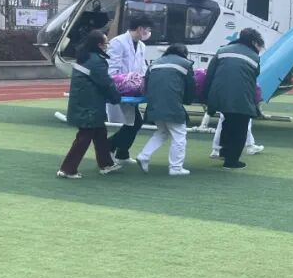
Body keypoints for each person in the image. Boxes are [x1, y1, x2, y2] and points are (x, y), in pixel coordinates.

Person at [58, 30, 123, 178]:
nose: (107, 45)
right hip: (90, 105)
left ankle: (106, 164)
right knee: (85, 136)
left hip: (85, 102)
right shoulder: (96, 61)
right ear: (99, 45)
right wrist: (116, 97)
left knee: (100, 133)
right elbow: (105, 83)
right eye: (106, 43)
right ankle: (67, 169)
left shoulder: (85, 56)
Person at [203, 27, 264, 169]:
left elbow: (210, 74)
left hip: (220, 94)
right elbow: (254, 78)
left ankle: (224, 152)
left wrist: (207, 97)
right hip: (241, 96)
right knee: (240, 127)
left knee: (227, 122)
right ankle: (231, 161)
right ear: (254, 42)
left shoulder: (222, 51)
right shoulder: (254, 58)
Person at [137, 44, 196, 176]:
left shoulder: (154, 64)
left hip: (154, 103)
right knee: (179, 135)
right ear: (184, 54)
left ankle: (144, 155)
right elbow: (191, 86)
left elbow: (146, 84)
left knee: (163, 132)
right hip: (172, 103)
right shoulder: (185, 64)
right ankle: (176, 167)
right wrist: (187, 101)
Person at [106, 15, 151, 164]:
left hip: (134, 88)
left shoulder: (141, 45)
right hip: (121, 87)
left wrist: (142, 82)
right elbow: (112, 68)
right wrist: (125, 82)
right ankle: (110, 146)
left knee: (134, 121)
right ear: (140, 29)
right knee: (135, 122)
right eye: (147, 29)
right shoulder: (118, 42)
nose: (148, 32)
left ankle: (122, 153)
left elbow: (142, 67)